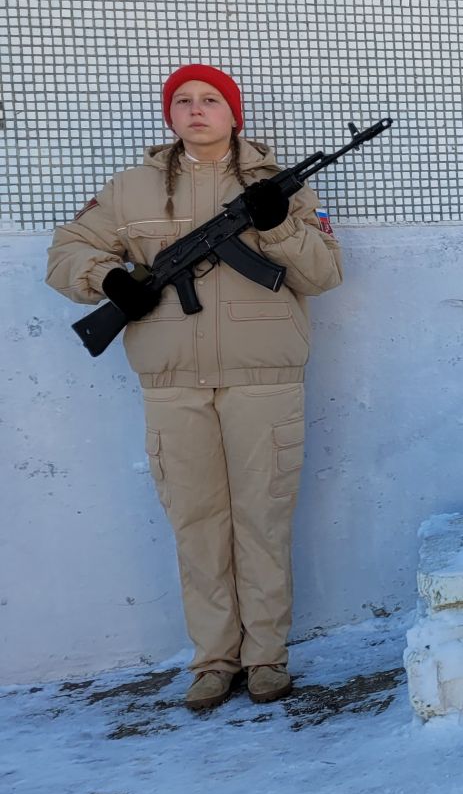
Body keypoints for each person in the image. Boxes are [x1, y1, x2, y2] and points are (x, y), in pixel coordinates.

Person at [45, 65, 343, 711]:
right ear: (168, 115)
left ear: (234, 113)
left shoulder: (278, 187)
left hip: (264, 383)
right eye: (183, 101)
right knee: (197, 526)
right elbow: (68, 248)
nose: (197, 110)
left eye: (211, 100)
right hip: (174, 386)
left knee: (263, 522)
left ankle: (266, 658)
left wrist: (279, 226)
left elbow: (323, 275)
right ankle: (213, 662)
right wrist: (110, 281)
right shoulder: (130, 189)